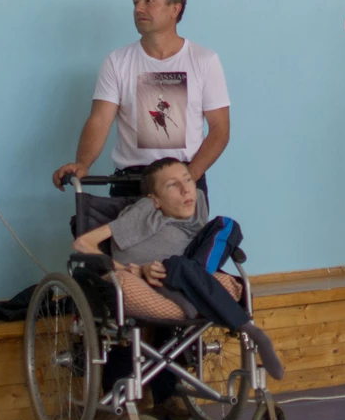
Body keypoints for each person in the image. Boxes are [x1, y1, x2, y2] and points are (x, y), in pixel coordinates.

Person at [74, 157, 284, 380]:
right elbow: (82, 244)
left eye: (188, 180)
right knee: (179, 265)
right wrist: (129, 269)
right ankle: (249, 329)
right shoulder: (146, 210)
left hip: (186, 272)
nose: (186, 190)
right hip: (159, 275)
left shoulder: (195, 204)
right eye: (173, 185)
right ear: (155, 199)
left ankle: (194, 279)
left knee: (227, 225)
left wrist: (193, 270)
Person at [54, 0, 229, 199]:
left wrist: (188, 177)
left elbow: (220, 130)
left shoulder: (204, 60)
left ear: (174, 9)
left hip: (185, 177)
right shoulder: (117, 61)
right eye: (135, 2)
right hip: (130, 181)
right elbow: (99, 120)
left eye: (149, 1)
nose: (139, 9)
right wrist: (83, 163)